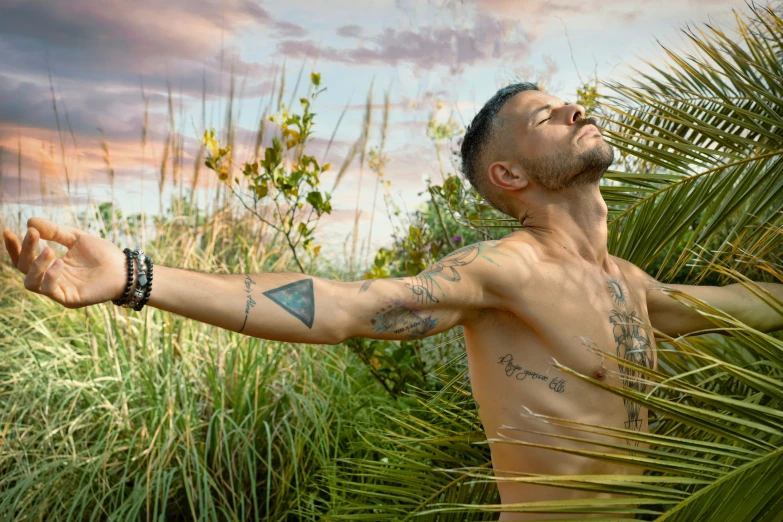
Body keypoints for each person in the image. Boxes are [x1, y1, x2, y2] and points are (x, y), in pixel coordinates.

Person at [4, 83, 782, 521]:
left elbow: (747, 307)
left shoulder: (630, 284)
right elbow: (345, 305)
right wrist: (137, 279)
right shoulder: (502, 269)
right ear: (508, 176)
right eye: (546, 116)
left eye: (567, 103)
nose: (574, 109)